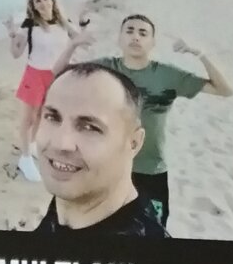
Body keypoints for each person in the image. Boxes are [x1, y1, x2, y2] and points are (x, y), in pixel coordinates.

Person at [89, 10, 233, 229]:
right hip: (110, 167)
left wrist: (201, 54)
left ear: (152, 42)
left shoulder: (168, 75)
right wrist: (73, 44)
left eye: (143, 33)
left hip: (151, 168)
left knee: (153, 230)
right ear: (119, 38)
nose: (135, 37)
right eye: (129, 31)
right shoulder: (105, 68)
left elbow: (224, 90)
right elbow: (60, 77)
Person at [32, 63, 160, 238]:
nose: (61, 144)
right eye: (52, 117)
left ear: (134, 143)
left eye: (89, 127)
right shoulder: (76, 199)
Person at [6, 0, 75, 178]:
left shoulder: (64, 23)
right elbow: (16, 53)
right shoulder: (29, 24)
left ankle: (33, 145)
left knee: (42, 115)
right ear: (33, 6)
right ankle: (25, 158)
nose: (43, 3)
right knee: (28, 118)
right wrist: (11, 35)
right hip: (35, 74)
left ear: (52, 1)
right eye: (38, 1)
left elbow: (79, 40)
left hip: (56, 75)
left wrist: (85, 26)